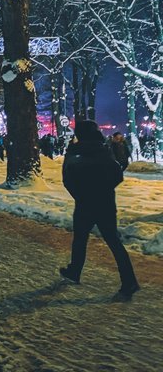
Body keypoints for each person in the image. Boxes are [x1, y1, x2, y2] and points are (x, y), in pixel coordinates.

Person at [60, 120, 140, 300]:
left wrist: (80, 194)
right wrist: (104, 189)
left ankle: (75, 270)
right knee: (113, 242)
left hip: (84, 203)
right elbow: (117, 175)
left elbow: (67, 178)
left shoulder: (75, 152)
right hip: (105, 202)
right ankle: (129, 281)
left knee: (80, 238)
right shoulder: (104, 150)